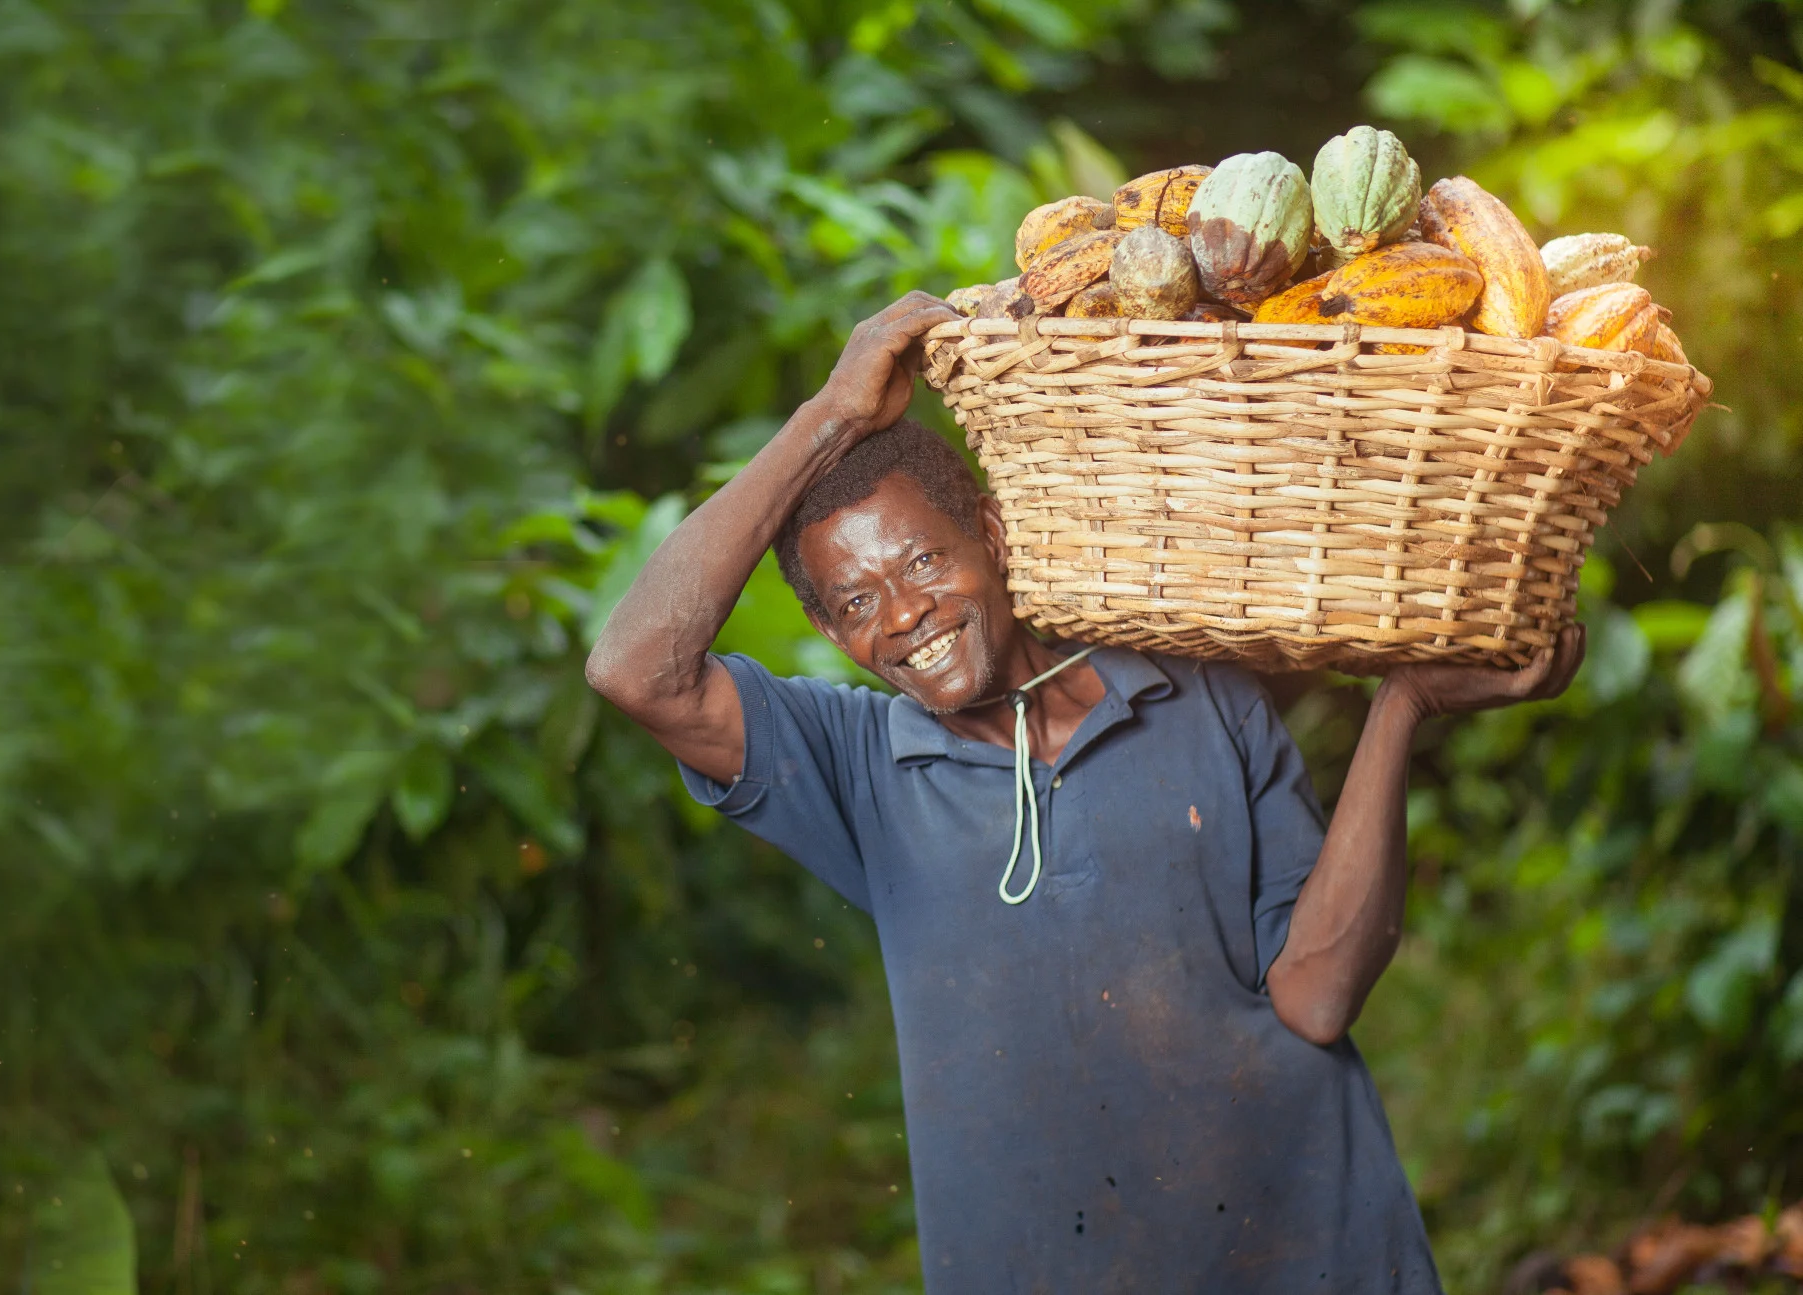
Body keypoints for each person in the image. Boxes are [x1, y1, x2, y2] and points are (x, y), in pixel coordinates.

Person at [585, 291, 1583, 1293]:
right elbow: (636, 667)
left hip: (1306, 1256)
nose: (905, 612)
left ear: (993, 530)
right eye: (856, 601)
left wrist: (1401, 705)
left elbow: (1317, 995)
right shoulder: (854, 763)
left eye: (925, 557)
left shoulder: (1195, 696)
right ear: (835, 636)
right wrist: (832, 414)